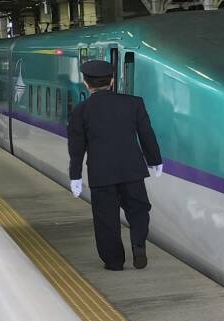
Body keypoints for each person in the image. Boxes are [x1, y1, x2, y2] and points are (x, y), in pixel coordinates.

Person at [67, 60, 162, 271]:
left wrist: (75, 176)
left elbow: (76, 148)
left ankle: (114, 261)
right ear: (111, 81)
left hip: (101, 173)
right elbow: (147, 135)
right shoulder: (134, 103)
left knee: (105, 219)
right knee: (138, 209)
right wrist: (155, 160)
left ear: (86, 82)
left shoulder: (81, 111)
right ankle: (138, 244)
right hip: (132, 170)